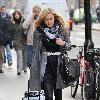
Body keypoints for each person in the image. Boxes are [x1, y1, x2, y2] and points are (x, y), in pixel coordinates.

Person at [29, 8, 71, 100]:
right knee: (48, 94)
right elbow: (35, 51)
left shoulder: (62, 29)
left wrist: (63, 43)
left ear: (55, 18)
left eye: (51, 19)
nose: (49, 22)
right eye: (46, 19)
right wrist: (34, 68)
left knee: (58, 94)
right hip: (45, 64)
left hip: (58, 64)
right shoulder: (38, 31)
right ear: (43, 19)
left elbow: (69, 46)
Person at [11, 10, 27, 75]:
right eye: (15, 14)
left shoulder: (24, 22)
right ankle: (19, 69)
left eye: (18, 14)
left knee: (24, 55)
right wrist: (11, 41)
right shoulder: (12, 23)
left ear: (20, 15)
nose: (16, 15)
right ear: (14, 16)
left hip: (24, 41)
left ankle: (24, 67)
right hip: (17, 41)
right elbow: (11, 33)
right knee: (19, 55)